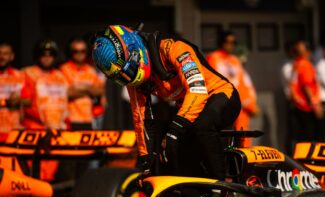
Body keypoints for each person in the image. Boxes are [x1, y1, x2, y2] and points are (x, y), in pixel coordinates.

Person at [92, 25, 241, 180]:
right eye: (121, 77)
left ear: (135, 49)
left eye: (129, 69)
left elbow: (197, 90)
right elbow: (140, 118)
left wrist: (174, 131)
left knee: (199, 126)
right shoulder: (133, 80)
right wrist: (146, 160)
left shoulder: (174, 48)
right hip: (191, 108)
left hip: (221, 95)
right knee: (172, 153)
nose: (129, 77)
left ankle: (223, 185)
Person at [21, 39, 68, 181]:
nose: (47, 57)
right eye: (43, 54)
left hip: (57, 131)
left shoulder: (61, 76)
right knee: (33, 173)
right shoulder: (27, 74)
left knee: (52, 174)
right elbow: (24, 101)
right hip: (34, 130)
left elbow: (65, 102)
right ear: (37, 55)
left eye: (51, 54)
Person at [207, 32, 258, 146]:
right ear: (221, 42)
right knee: (225, 137)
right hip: (223, 104)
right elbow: (211, 80)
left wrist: (251, 104)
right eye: (227, 42)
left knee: (243, 137)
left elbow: (242, 83)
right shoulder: (213, 57)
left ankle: (242, 162)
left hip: (240, 105)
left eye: (233, 42)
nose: (230, 45)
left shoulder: (235, 60)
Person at [60, 37, 104, 130]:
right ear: (71, 52)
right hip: (70, 120)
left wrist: (81, 89)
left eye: (82, 51)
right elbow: (66, 93)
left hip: (88, 119)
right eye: (76, 51)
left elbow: (100, 91)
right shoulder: (64, 69)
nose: (79, 54)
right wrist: (89, 90)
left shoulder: (90, 70)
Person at [290, 40, 323, 141]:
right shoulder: (305, 65)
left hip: (298, 105)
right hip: (306, 106)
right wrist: (316, 105)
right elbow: (306, 86)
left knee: (300, 136)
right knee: (308, 138)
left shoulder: (296, 64)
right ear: (308, 52)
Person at [0, 42, 26, 137]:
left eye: (5, 54)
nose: (2, 57)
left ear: (12, 56)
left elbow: (30, 102)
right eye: (0, 53)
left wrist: (19, 100)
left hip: (14, 132)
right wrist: (6, 102)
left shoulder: (20, 75)